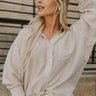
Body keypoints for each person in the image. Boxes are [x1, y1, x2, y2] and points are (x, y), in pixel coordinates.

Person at [2, 0, 96, 96]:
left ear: (59, 3)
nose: (39, 1)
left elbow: (93, 12)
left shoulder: (74, 38)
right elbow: (11, 75)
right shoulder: (26, 35)